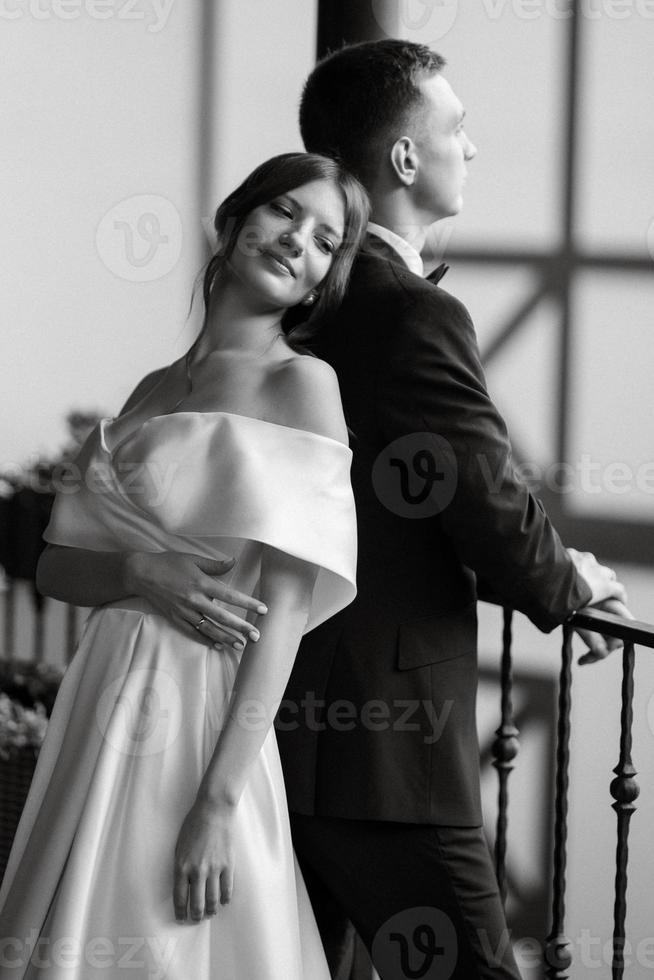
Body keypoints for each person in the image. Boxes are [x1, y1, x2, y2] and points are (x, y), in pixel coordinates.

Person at [273, 40, 632, 980]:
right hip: (383, 748)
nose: (470, 149)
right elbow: (478, 490)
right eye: (457, 129)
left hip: (287, 723)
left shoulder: (303, 302)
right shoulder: (407, 311)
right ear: (402, 159)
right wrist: (568, 586)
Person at [0, 152, 369, 980]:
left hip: (202, 718)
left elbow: (279, 621)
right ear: (235, 220)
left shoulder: (304, 385)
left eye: (323, 241)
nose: (296, 242)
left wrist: (217, 802)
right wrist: (138, 569)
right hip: (97, 699)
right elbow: (59, 568)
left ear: (319, 284)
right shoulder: (151, 389)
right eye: (284, 213)